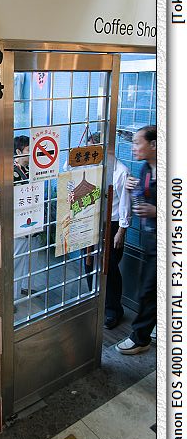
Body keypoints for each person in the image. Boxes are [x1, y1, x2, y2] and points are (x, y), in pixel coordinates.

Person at [82, 132, 131, 328]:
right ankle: (94, 301)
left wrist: (121, 231)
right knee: (88, 261)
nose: (89, 152)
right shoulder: (91, 166)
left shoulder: (121, 171)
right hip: (90, 221)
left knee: (109, 268)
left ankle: (113, 310)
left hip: (112, 225)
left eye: (92, 148)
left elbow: (125, 204)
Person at [115, 125, 157, 354]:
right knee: (149, 289)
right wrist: (135, 187)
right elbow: (145, 198)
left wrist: (157, 211)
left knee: (148, 290)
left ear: (154, 144)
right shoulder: (146, 169)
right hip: (151, 240)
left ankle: (140, 338)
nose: (133, 148)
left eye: (137, 143)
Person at [13, 135, 30, 303]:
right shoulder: (12, 172)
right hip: (18, 223)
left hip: (32, 220)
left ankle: (22, 288)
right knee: (16, 260)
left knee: (27, 257)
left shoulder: (31, 169)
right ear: (18, 152)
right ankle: (12, 298)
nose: (32, 153)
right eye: (28, 150)